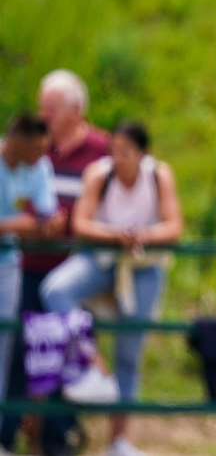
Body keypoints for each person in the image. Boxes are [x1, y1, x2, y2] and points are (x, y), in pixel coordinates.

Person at [40, 121, 183, 456]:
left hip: (143, 267)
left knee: (129, 355)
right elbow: (81, 223)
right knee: (55, 290)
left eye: (126, 152)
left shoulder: (159, 176)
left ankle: (117, 441)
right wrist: (118, 236)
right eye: (114, 151)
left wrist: (140, 237)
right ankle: (93, 365)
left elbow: (174, 225)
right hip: (101, 258)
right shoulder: (98, 174)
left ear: (142, 153)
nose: (118, 159)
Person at [2, 71, 108, 456]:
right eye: (41, 106)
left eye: (51, 108)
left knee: (65, 351)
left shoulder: (101, 151)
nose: (43, 113)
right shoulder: (32, 149)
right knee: (15, 350)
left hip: (72, 268)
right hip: (24, 264)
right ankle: (6, 433)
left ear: (76, 111)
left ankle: (58, 436)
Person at [0, 114, 63, 429]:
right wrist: (21, 225)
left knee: (4, 347)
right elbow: (29, 223)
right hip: (11, 251)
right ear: (17, 141)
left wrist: (47, 226)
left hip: (8, 264)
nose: (43, 154)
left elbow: (46, 218)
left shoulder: (37, 168)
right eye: (38, 147)